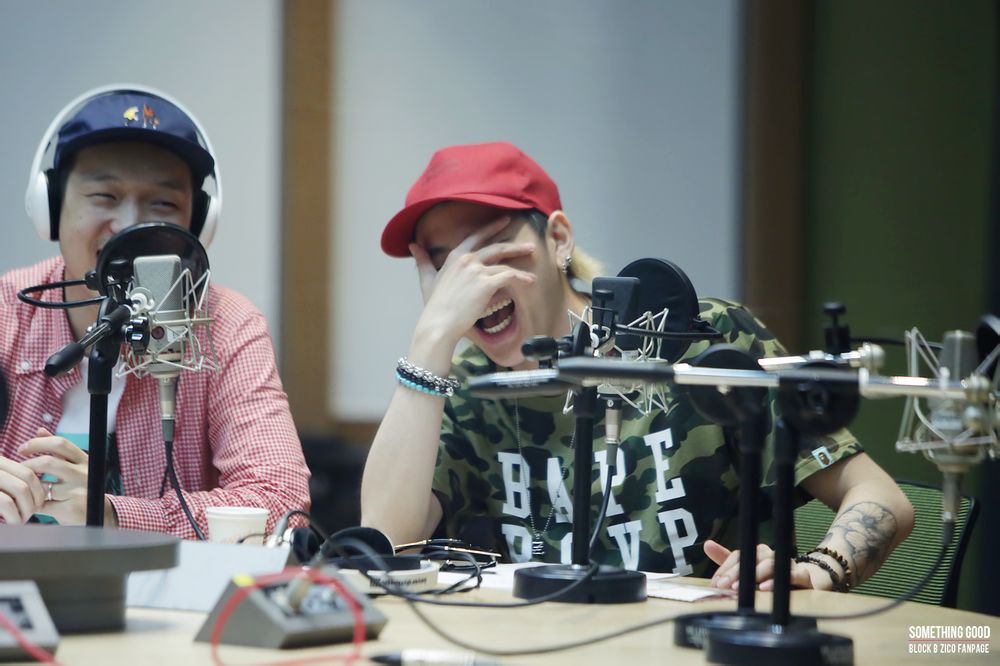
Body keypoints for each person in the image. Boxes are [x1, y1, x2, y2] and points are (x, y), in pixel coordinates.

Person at [361, 141, 914, 592]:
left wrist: (819, 570)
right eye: (446, 263)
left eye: (492, 247)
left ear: (558, 239)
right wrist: (430, 338)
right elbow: (384, 544)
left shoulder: (702, 340)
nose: (473, 280)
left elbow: (883, 499)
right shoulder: (464, 381)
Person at [0, 86, 310, 538]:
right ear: (49, 205)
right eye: (104, 196)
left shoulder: (225, 324)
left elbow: (280, 500)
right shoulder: (6, 310)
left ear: (198, 224)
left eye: (163, 204)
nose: (130, 225)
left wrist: (113, 514)